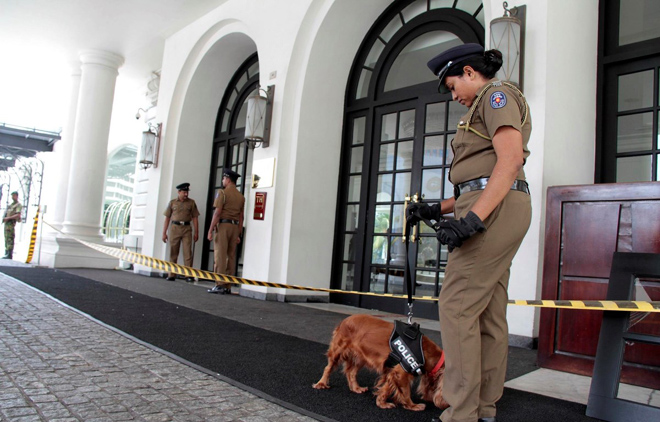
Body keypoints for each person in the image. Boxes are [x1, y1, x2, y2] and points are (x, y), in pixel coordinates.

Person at [407, 44, 532, 422]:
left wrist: (472, 220)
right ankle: (484, 407)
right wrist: (438, 208)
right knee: (487, 313)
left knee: (457, 306)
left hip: (495, 211)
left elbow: (509, 161)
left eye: (451, 85)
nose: (453, 95)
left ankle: (460, 410)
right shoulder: (481, 107)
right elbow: (476, 179)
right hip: (496, 206)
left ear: (469, 73)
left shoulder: (495, 96)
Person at [207, 169, 245, 294]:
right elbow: (241, 217)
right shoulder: (241, 196)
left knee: (220, 256)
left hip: (223, 226)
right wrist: (239, 233)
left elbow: (217, 212)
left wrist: (211, 228)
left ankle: (219, 284)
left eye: (223, 178)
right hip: (234, 227)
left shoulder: (222, 193)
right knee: (231, 257)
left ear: (228, 179)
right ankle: (228, 285)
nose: (223, 181)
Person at [162, 182, 200, 281]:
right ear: (179, 192)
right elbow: (167, 218)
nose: (186, 194)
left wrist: (196, 232)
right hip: (175, 228)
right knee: (173, 252)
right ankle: (171, 274)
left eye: (187, 192)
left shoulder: (191, 203)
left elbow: (195, 218)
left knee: (188, 253)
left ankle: (188, 275)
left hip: (187, 228)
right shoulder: (172, 203)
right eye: (184, 192)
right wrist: (164, 233)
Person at [3, 191, 22, 259]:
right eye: (12, 195)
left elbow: (18, 215)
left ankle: (9, 254)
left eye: (14, 195)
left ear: (17, 196)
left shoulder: (18, 205)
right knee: (6, 237)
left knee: (10, 238)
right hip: (7, 223)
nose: (12, 197)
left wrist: (8, 218)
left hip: (11, 223)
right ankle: (7, 251)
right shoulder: (11, 205)